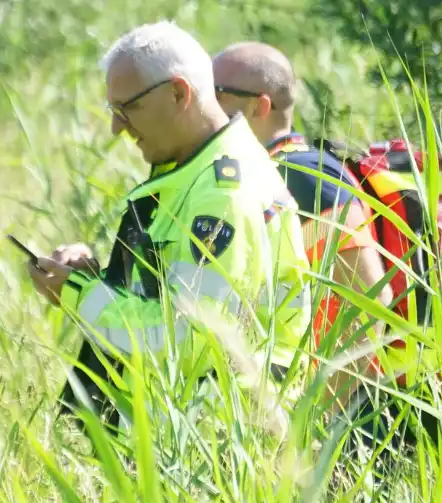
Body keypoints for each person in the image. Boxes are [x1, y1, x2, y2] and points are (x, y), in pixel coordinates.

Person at [28, 22, 312, 434]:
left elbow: (186, 338)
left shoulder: (221, 195)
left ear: (179, 93)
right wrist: (96, 279)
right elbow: (163, 295)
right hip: (185, 434)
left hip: (217, 447)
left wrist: (78, 294)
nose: (116, 128)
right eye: (113, 111)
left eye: (128, 109)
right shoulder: (192, 170)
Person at [211, 42, 395, 421]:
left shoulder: (301, 177)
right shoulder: (271, 173)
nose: (203, 105)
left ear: (259, 107)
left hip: (356, 418)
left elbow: (370, 300)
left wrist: (310, 429)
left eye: (216, 94)